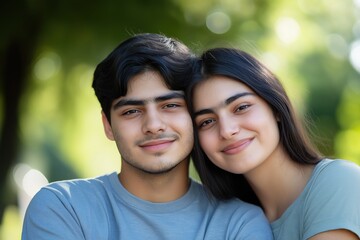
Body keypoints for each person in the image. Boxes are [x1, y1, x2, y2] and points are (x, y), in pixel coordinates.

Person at [22, 34, 273, 239]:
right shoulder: (63, 207)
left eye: (170, 105)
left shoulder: (240, 223)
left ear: (196, 114)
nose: (153, 125)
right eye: (132, 111)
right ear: (108, 125)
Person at [187, 47, 360, 240]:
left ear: (275, 107)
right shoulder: (230, 221)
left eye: (241, 107)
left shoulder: (338, 181)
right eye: (207, 122)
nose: (227, 131)